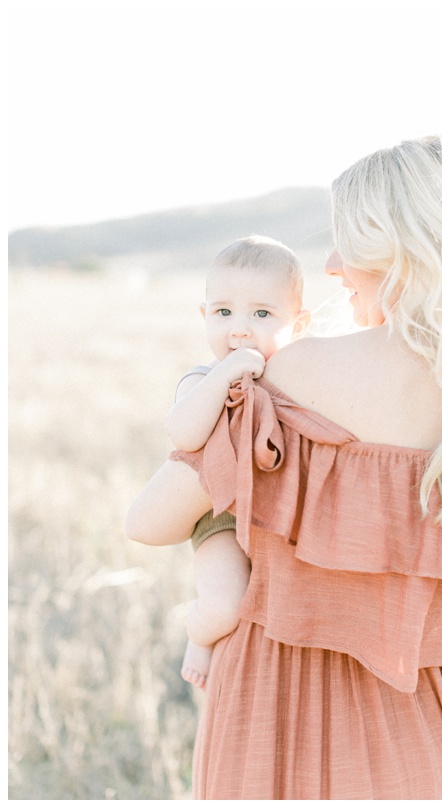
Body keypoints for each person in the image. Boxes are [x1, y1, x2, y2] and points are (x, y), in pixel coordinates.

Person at [125, 135, 442, 799]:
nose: (334, 263)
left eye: (352, 240)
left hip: (284, 711)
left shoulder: (294, 373)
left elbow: (148, 520)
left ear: (402, 247)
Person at [165, 236, 311, 689]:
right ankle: (198, 636)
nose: (240, 329)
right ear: (204, 315)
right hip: (220, 517)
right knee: (225, 602)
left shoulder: (297, 376)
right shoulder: (202, 377)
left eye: (262, 314)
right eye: (224, 312)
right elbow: (184, 435)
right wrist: (224, 375)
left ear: (298, 325)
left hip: (274, 512)